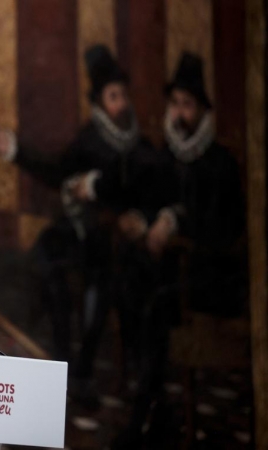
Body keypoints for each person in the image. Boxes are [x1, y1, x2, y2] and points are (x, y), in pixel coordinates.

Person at [0, 45, 171, 406]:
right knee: (47, 262)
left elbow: (142, 189)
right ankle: (62, 362)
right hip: (78, 231)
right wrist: (15, 151)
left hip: (116, 241)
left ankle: (85, 371)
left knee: (101, 275)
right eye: (113, 96)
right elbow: (56, 171)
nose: (121, 104)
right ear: (100, 102)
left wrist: (95, 187)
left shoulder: (143, 147)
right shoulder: (89, 137)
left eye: (123, 95)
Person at [112, 52, 246, 449]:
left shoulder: (222, 163)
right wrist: (142, 219)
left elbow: (223, 230)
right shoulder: (165, 157)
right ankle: (157, 403)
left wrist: (176, 222)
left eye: (188, 105)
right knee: (127, 283)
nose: (179, 113)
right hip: (171, 271)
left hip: (211, 277)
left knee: (155, 305)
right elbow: (152, 204)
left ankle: (143, 414)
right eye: (175, 104)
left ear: (203, 111)